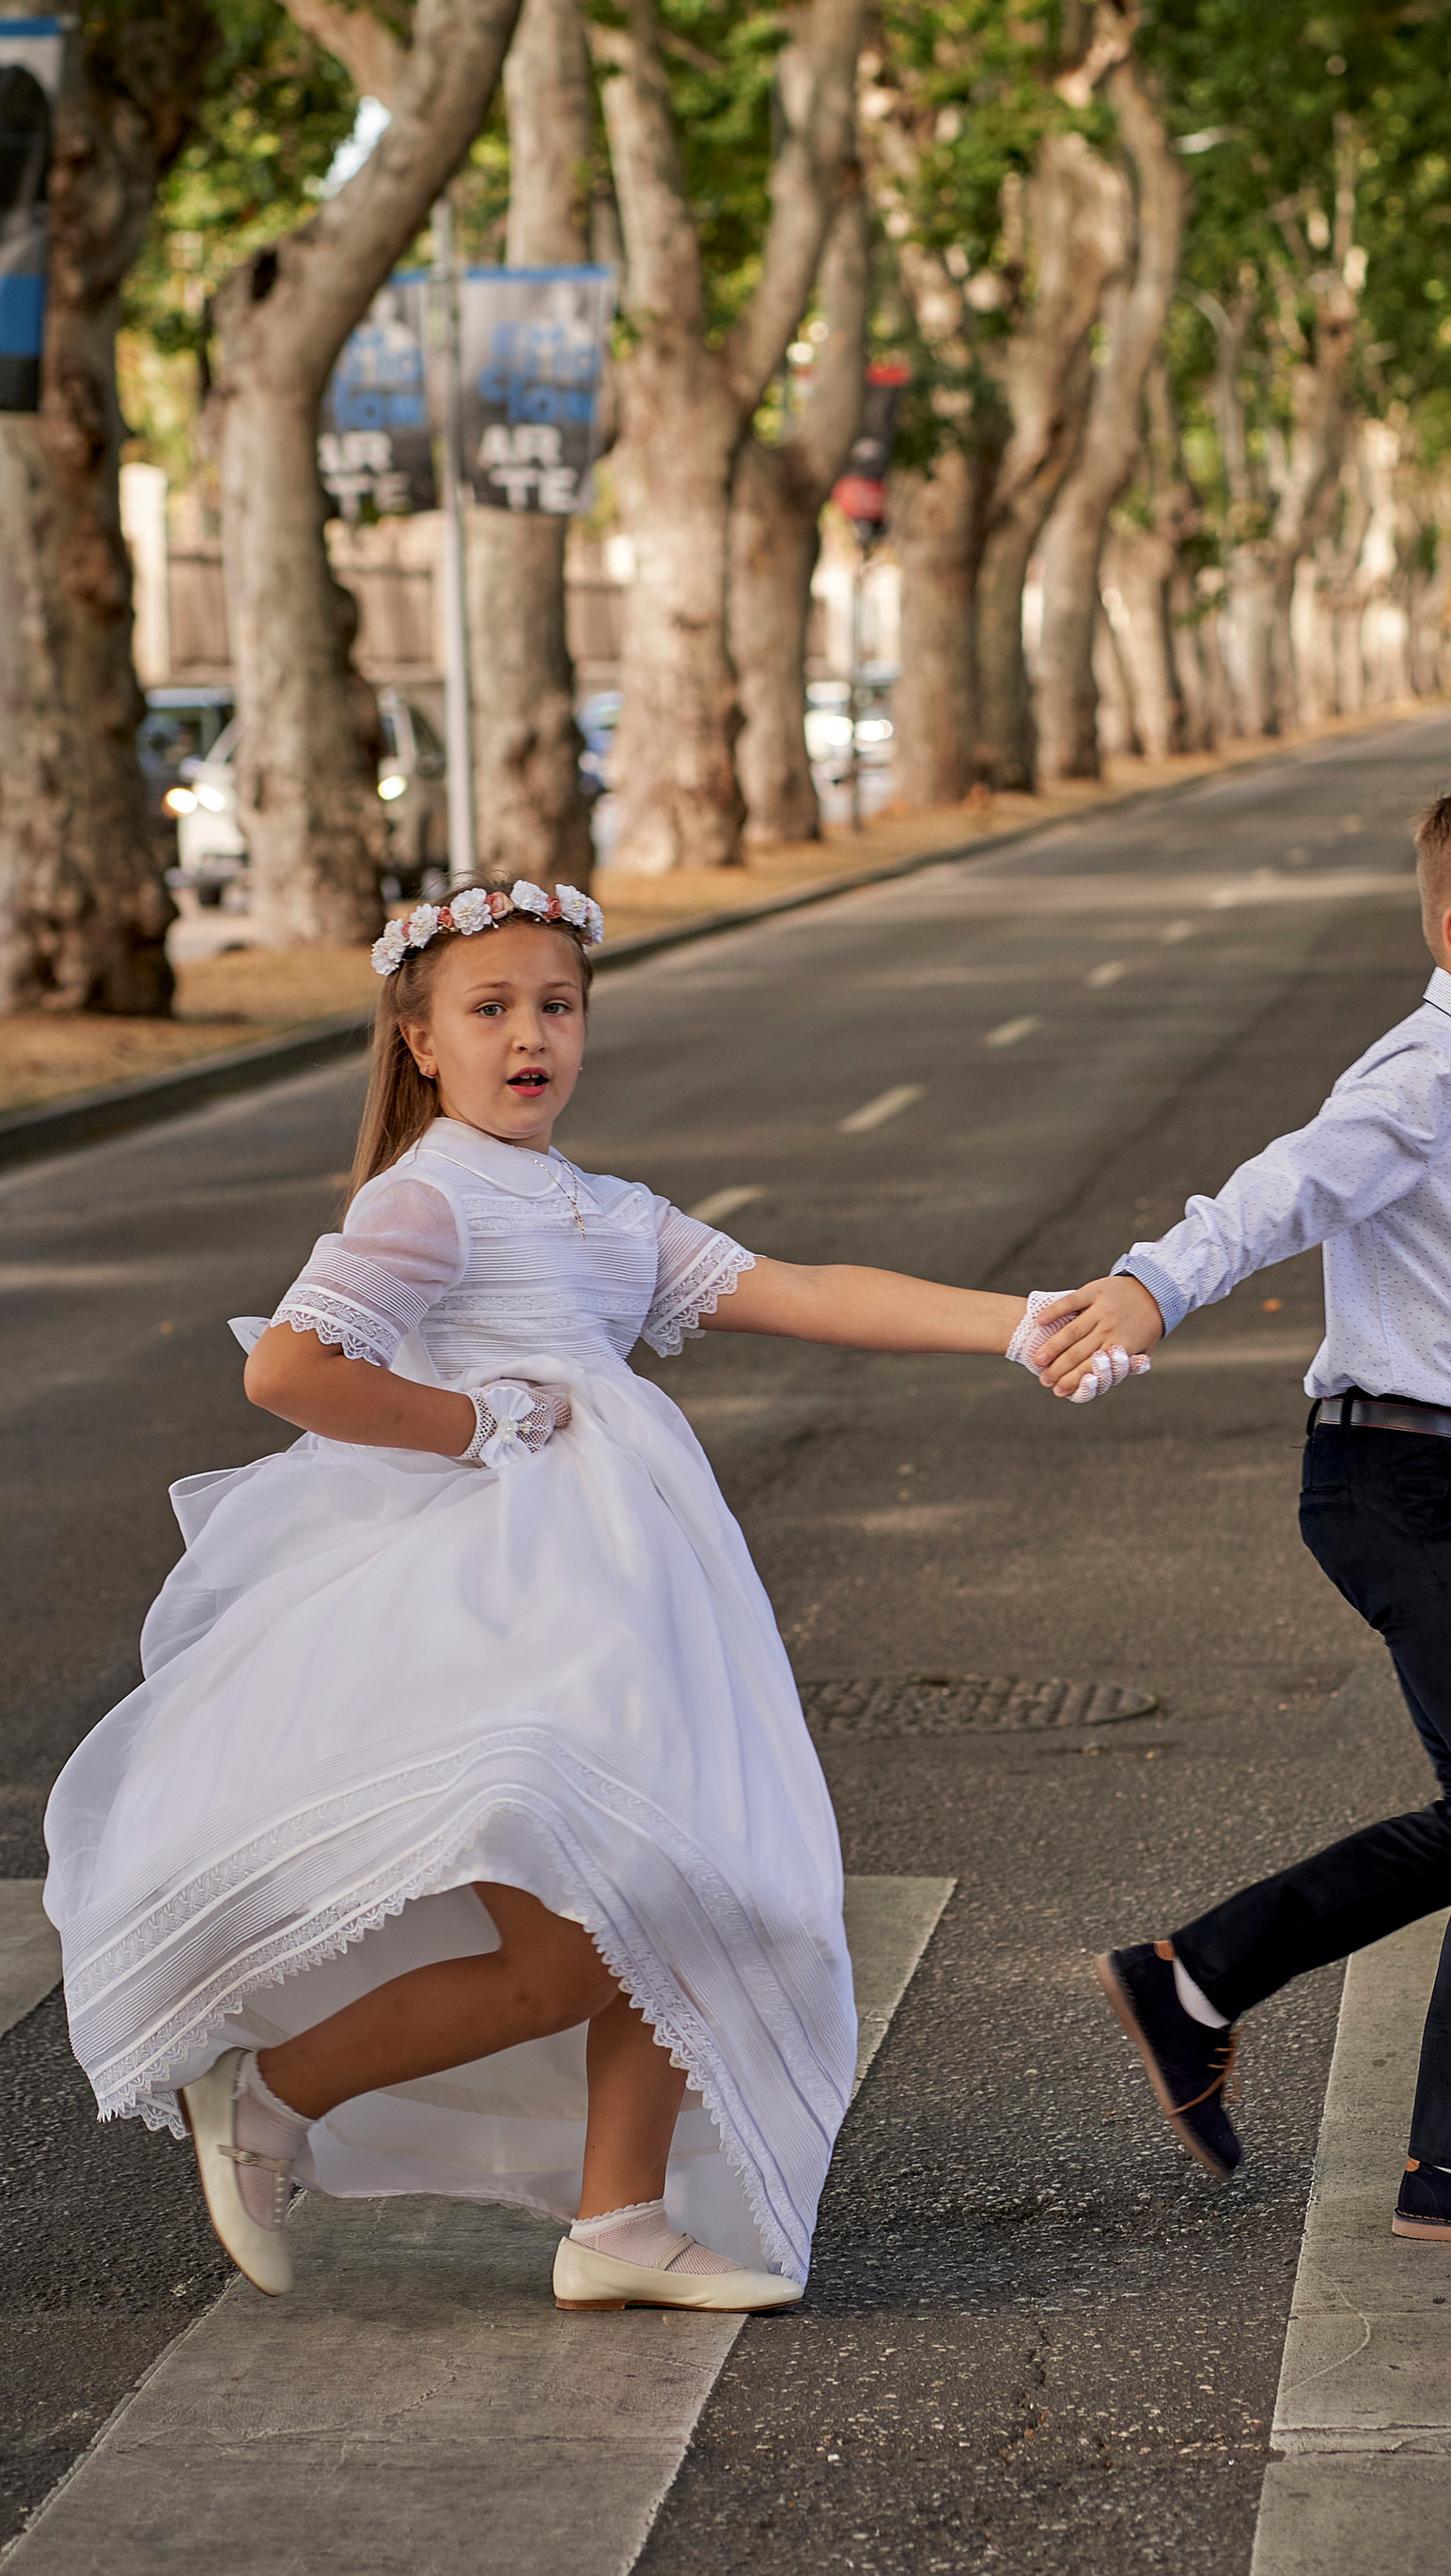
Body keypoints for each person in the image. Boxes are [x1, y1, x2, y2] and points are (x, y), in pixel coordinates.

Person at [45, 877, 1134, 2316]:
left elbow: (801, 1288)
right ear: (419, 1039)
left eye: (554, 1005)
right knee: (565, 1954)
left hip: (629, 1592)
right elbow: (290, 1373)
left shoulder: (596, 1210)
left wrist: (1022, 1323)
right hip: (500, 1606)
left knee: (673, 1887)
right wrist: (476, 1425)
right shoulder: (428, 1198)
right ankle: (271, 2091)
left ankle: (619, 2220)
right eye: (488, 1009)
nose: (527, 1036)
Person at [1032, 779, 1451, 2249]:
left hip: (1445, 1473)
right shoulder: (1430, 1076)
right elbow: (1291, 1185)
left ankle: (1195, 1977)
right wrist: (1153, 1281)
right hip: (1402, 1482)